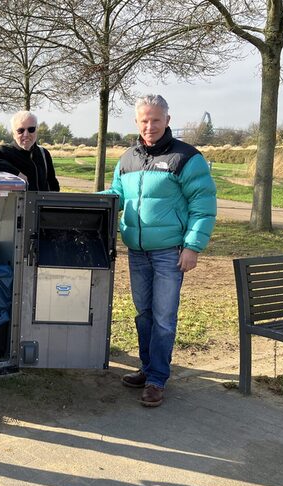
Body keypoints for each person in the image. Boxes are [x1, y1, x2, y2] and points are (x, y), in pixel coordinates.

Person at [101, 95, 216, 407]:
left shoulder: (186, 157)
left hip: (169, 253)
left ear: (167, 120)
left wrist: (192, 246)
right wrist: (87, 202)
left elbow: (203, 205)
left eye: (155, 120)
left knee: (164, 318)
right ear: (137, 122)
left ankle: (156, 380)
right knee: (144, 315)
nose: (149, 126)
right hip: (137, 252)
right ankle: (147, 367)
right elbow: (116, 196)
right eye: (143, 120)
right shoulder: (126, 159)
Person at [0, 110, 59, 191]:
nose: (26, 134)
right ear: (14, 134)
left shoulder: (43, 154)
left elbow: (53, 185)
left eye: (31, 129)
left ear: (36, 131)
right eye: (20, 130)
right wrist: (16, 174)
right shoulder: (5, 152)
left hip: (40, 205)